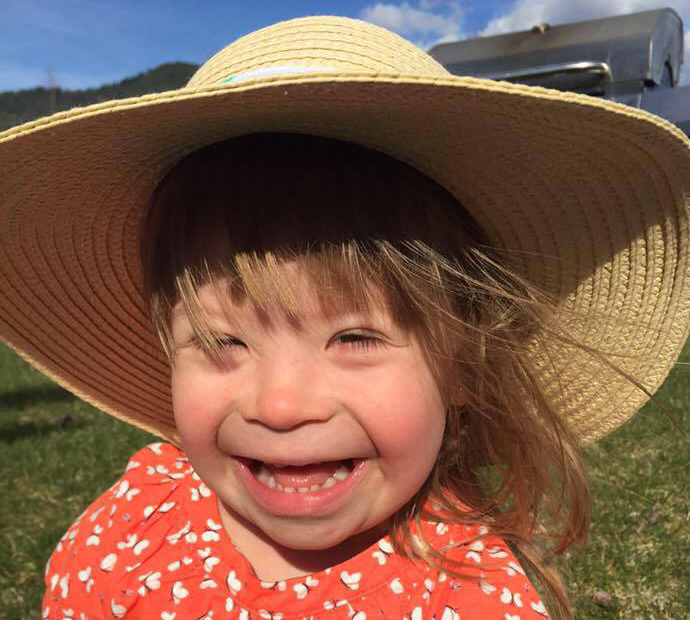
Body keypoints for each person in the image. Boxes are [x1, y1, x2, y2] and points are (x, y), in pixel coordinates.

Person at [1, 16, 689, 620]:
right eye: (222, 341)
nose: (279, 405)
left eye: (354, 337)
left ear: (463, 361)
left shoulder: (468, 600)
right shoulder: (139, 519)